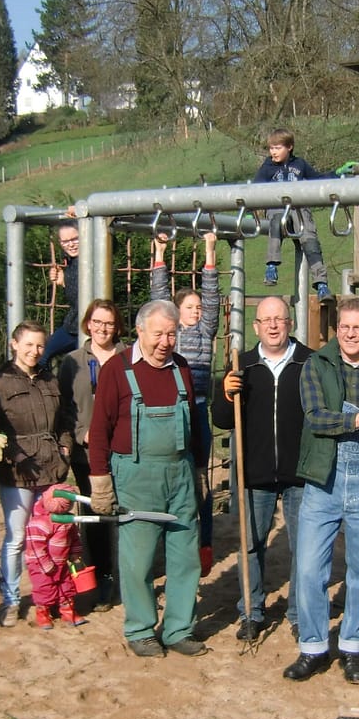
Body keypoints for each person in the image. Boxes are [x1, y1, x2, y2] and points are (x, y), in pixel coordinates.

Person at [283, 296, 359, 685]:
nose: (351, 334)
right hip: (324, 477)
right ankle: (314, 646)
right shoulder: (316, 365)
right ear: (338, 329)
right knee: (309, 568)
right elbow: (317, 418)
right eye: (345, 327)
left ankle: (353, 645)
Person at [87, 299, 208, 658]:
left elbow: (195, 427)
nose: (165, 342)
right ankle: (140, 629)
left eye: (172, 334)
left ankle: (178, 630)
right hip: (136, 476)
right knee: (138, 561)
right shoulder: (116, 369)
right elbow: (98, 431)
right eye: (158, 334)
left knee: (185, 557)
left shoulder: (182, 369)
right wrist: (100, 481)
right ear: (139, 331)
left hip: (181, 474)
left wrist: (198, 470)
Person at [211, 296, 314, 642]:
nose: (273, 325)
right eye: (266, 320)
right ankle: (252, 612)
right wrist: (225, 394)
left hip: (300, 473)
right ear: (256, 326)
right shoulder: (242, 366)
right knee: (251, 545)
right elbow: (222, 419)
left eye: (279, 319)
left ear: (290, 323)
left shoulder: (309, 363)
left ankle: (300, 614)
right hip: (254, 473)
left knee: (304, 547)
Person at [0, 321, 73, 627]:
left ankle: (50, 597)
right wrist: (15, 455)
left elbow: (63, 420)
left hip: (52, 467)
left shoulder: (50, 380)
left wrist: (65, 447)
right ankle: (11, 599)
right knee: (18, 538)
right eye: (28, 345)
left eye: (39, 346)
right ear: (14, 344)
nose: (35, 351)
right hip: (18, 471)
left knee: (54, 536)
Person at [151, 230, 220, 577]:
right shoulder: (171, 334)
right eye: (188, 308)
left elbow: (212, 296)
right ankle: (168, 544)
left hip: (199, 408)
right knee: (170, 479)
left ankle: (204, 544)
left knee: (200, 481)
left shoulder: (206, 330)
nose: (195, 312)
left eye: (197, 308)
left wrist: (209, 250)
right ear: (176, 313)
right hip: (172, 409)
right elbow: (158, 297)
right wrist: (159, 252)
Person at [58, 299, 126, 611]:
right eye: (97, 322)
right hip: (87, 452)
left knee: (126, 511)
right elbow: (66, 408)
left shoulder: (129, 357)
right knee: (97, 514)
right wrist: (81, 432)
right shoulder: (72, 361)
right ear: (88, 324)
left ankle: (129, 572)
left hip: (123, 448)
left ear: (117, 327)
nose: (102, 328)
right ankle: (102, 575)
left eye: (108, 323)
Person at [253, 128, 354, 302]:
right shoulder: (267, 168)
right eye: (271, 148)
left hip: (299, 209)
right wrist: (249, 213)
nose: (273, 152)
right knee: (276, 223)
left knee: (310, 241)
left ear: (289, 147)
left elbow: (317, 180)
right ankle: (271, 266)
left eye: (277, 148)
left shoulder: (299, 164)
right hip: (277, 209)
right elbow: (254, 190)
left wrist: (337, 173)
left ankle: (321, 284)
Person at [25, 484, 88, 629]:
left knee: (66, 587)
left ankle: (67, 612)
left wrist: (75, 552)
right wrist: (45, 564)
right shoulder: (39, 523)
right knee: (44, 589)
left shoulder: (67, 521)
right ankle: (43, 613)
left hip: (62, 562)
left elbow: (74, 537)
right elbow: (36, 547)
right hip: (41, 565)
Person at [40, 218, 82, 369]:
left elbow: (111, 244)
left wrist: (82, 214)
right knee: (41, 354)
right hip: (71, 326)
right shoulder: (69, 261)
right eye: (65, 241)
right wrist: (64, 282)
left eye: (75, 239)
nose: (70, 244)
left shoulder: (92, 255)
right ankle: (44, 390)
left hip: (90, 327)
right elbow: (76, 296)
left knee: (81, 365)